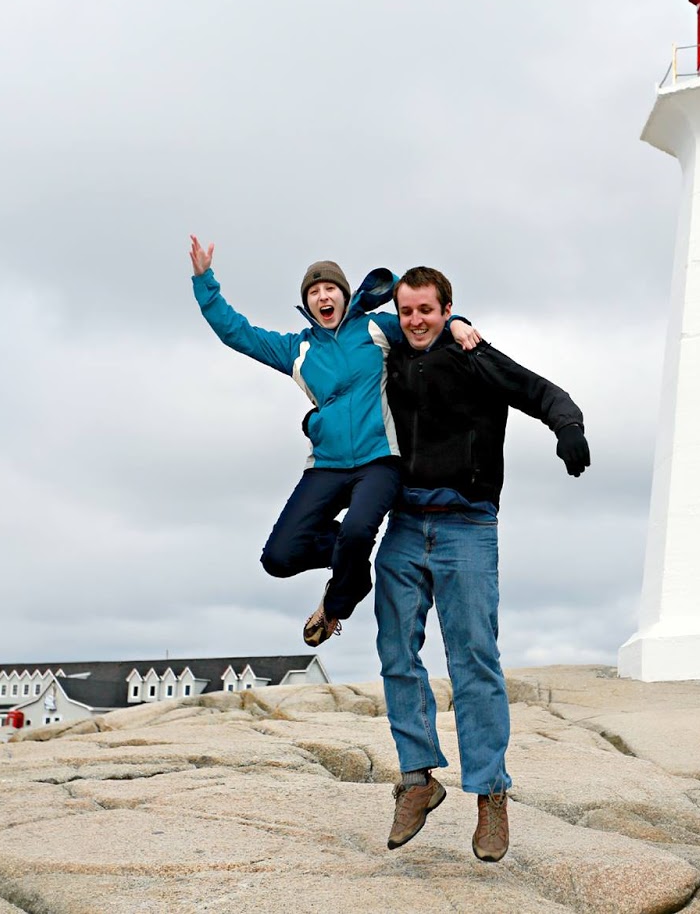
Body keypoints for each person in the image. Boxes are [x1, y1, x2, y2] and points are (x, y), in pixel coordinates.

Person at [374, 265, 589, 863]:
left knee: (473, 660)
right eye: (407, 311)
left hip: (467, 526)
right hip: (404, 524)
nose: (416, 320)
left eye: (427, 310)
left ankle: (491, 794)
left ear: (447, 310)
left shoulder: (475, 356)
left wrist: (568, 427)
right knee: (395, 651)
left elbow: (543, 392)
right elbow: (339, 359)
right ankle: (417, 780)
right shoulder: (388, 357)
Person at [187, 237, 478, 646]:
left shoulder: (374, 328)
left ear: (345, 295)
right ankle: (353, 569)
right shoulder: (297, 349)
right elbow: (237, 332)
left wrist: (458, 322)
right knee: (278, 558)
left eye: (329, 289)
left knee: (357, 532)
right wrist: (205, 281)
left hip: (380, 461)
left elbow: (421, 320)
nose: (323, 296)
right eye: (314, 292)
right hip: (325, 466)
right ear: (307, 304)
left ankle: (338, 601)